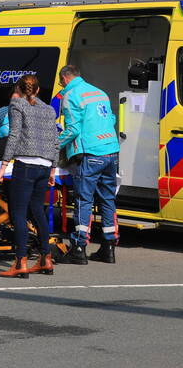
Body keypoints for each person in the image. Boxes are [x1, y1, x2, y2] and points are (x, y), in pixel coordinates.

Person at [0, 76, 60, 278]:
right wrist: (52, 169)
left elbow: (14, 135)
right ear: (38, 90)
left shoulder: (17, 104)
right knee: (38, 210)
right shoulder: (49, 110)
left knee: (19, 213)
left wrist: (3, 166)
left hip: (25, 164)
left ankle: (20, 262)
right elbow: (55, 140)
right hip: (44, 165)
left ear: (18, 90)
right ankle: (46, 258)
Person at [56, 65, 121, 265]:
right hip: (111, 151)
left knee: (84, 200)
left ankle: (79, 248)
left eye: (61, 83)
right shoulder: (100, 93)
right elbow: (111, 118)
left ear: (65, 79)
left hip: (90, 153)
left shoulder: (71, 95)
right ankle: (108, 248)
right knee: (107, 199)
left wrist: (53, 144)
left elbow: (73, 129)